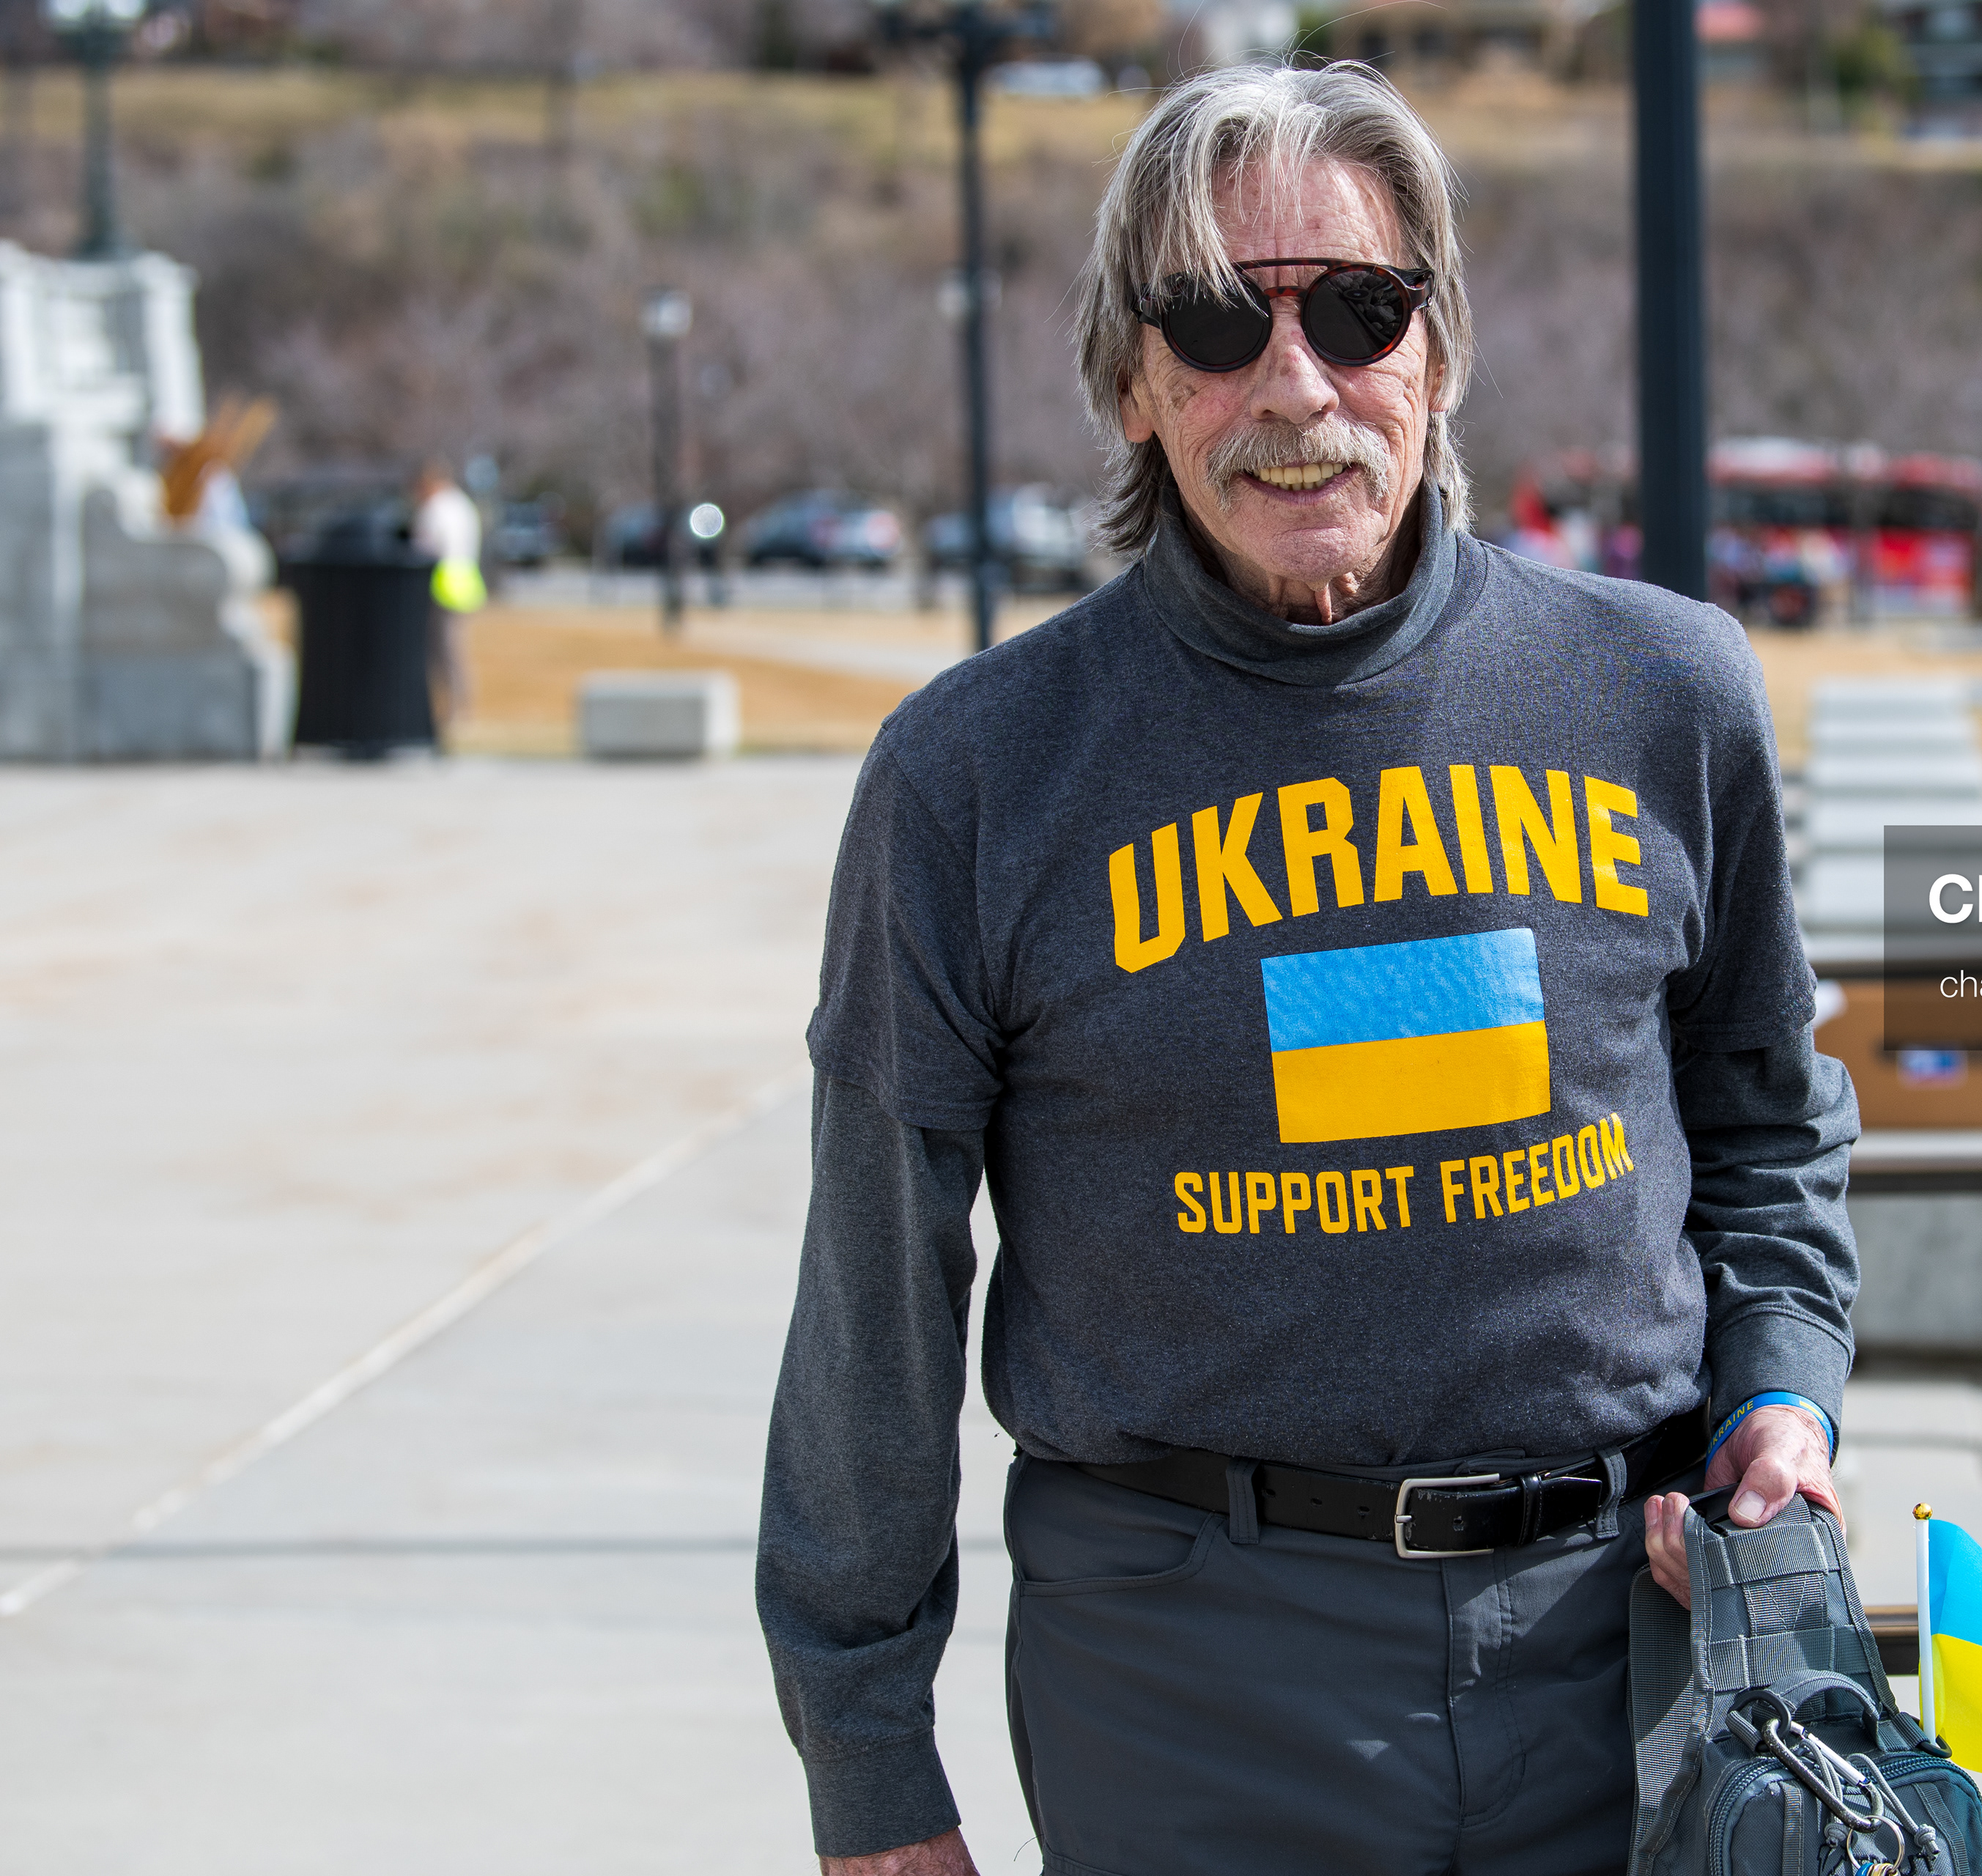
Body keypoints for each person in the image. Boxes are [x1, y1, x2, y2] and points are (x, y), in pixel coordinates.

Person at [755, 62, 1860, 1876]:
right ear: (1130, 381)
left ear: (1438, 352)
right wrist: (866, 1756)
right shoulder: (972, 775)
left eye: (1358, 311)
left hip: (1632, 1648)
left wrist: (1779, 1393)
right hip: (1186, 1668)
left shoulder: (1667, 692)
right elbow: (874, 1294)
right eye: (1214, 320)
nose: (1294, 386)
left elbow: (1768, 1124)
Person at [408, 457, 484, 732]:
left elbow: (426, 546)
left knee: (445, 652)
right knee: (453, 650)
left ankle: (455, 711)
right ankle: (458, 708)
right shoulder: (462, 504)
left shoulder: (437, 508)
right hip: (465, 583)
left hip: (443, 585)